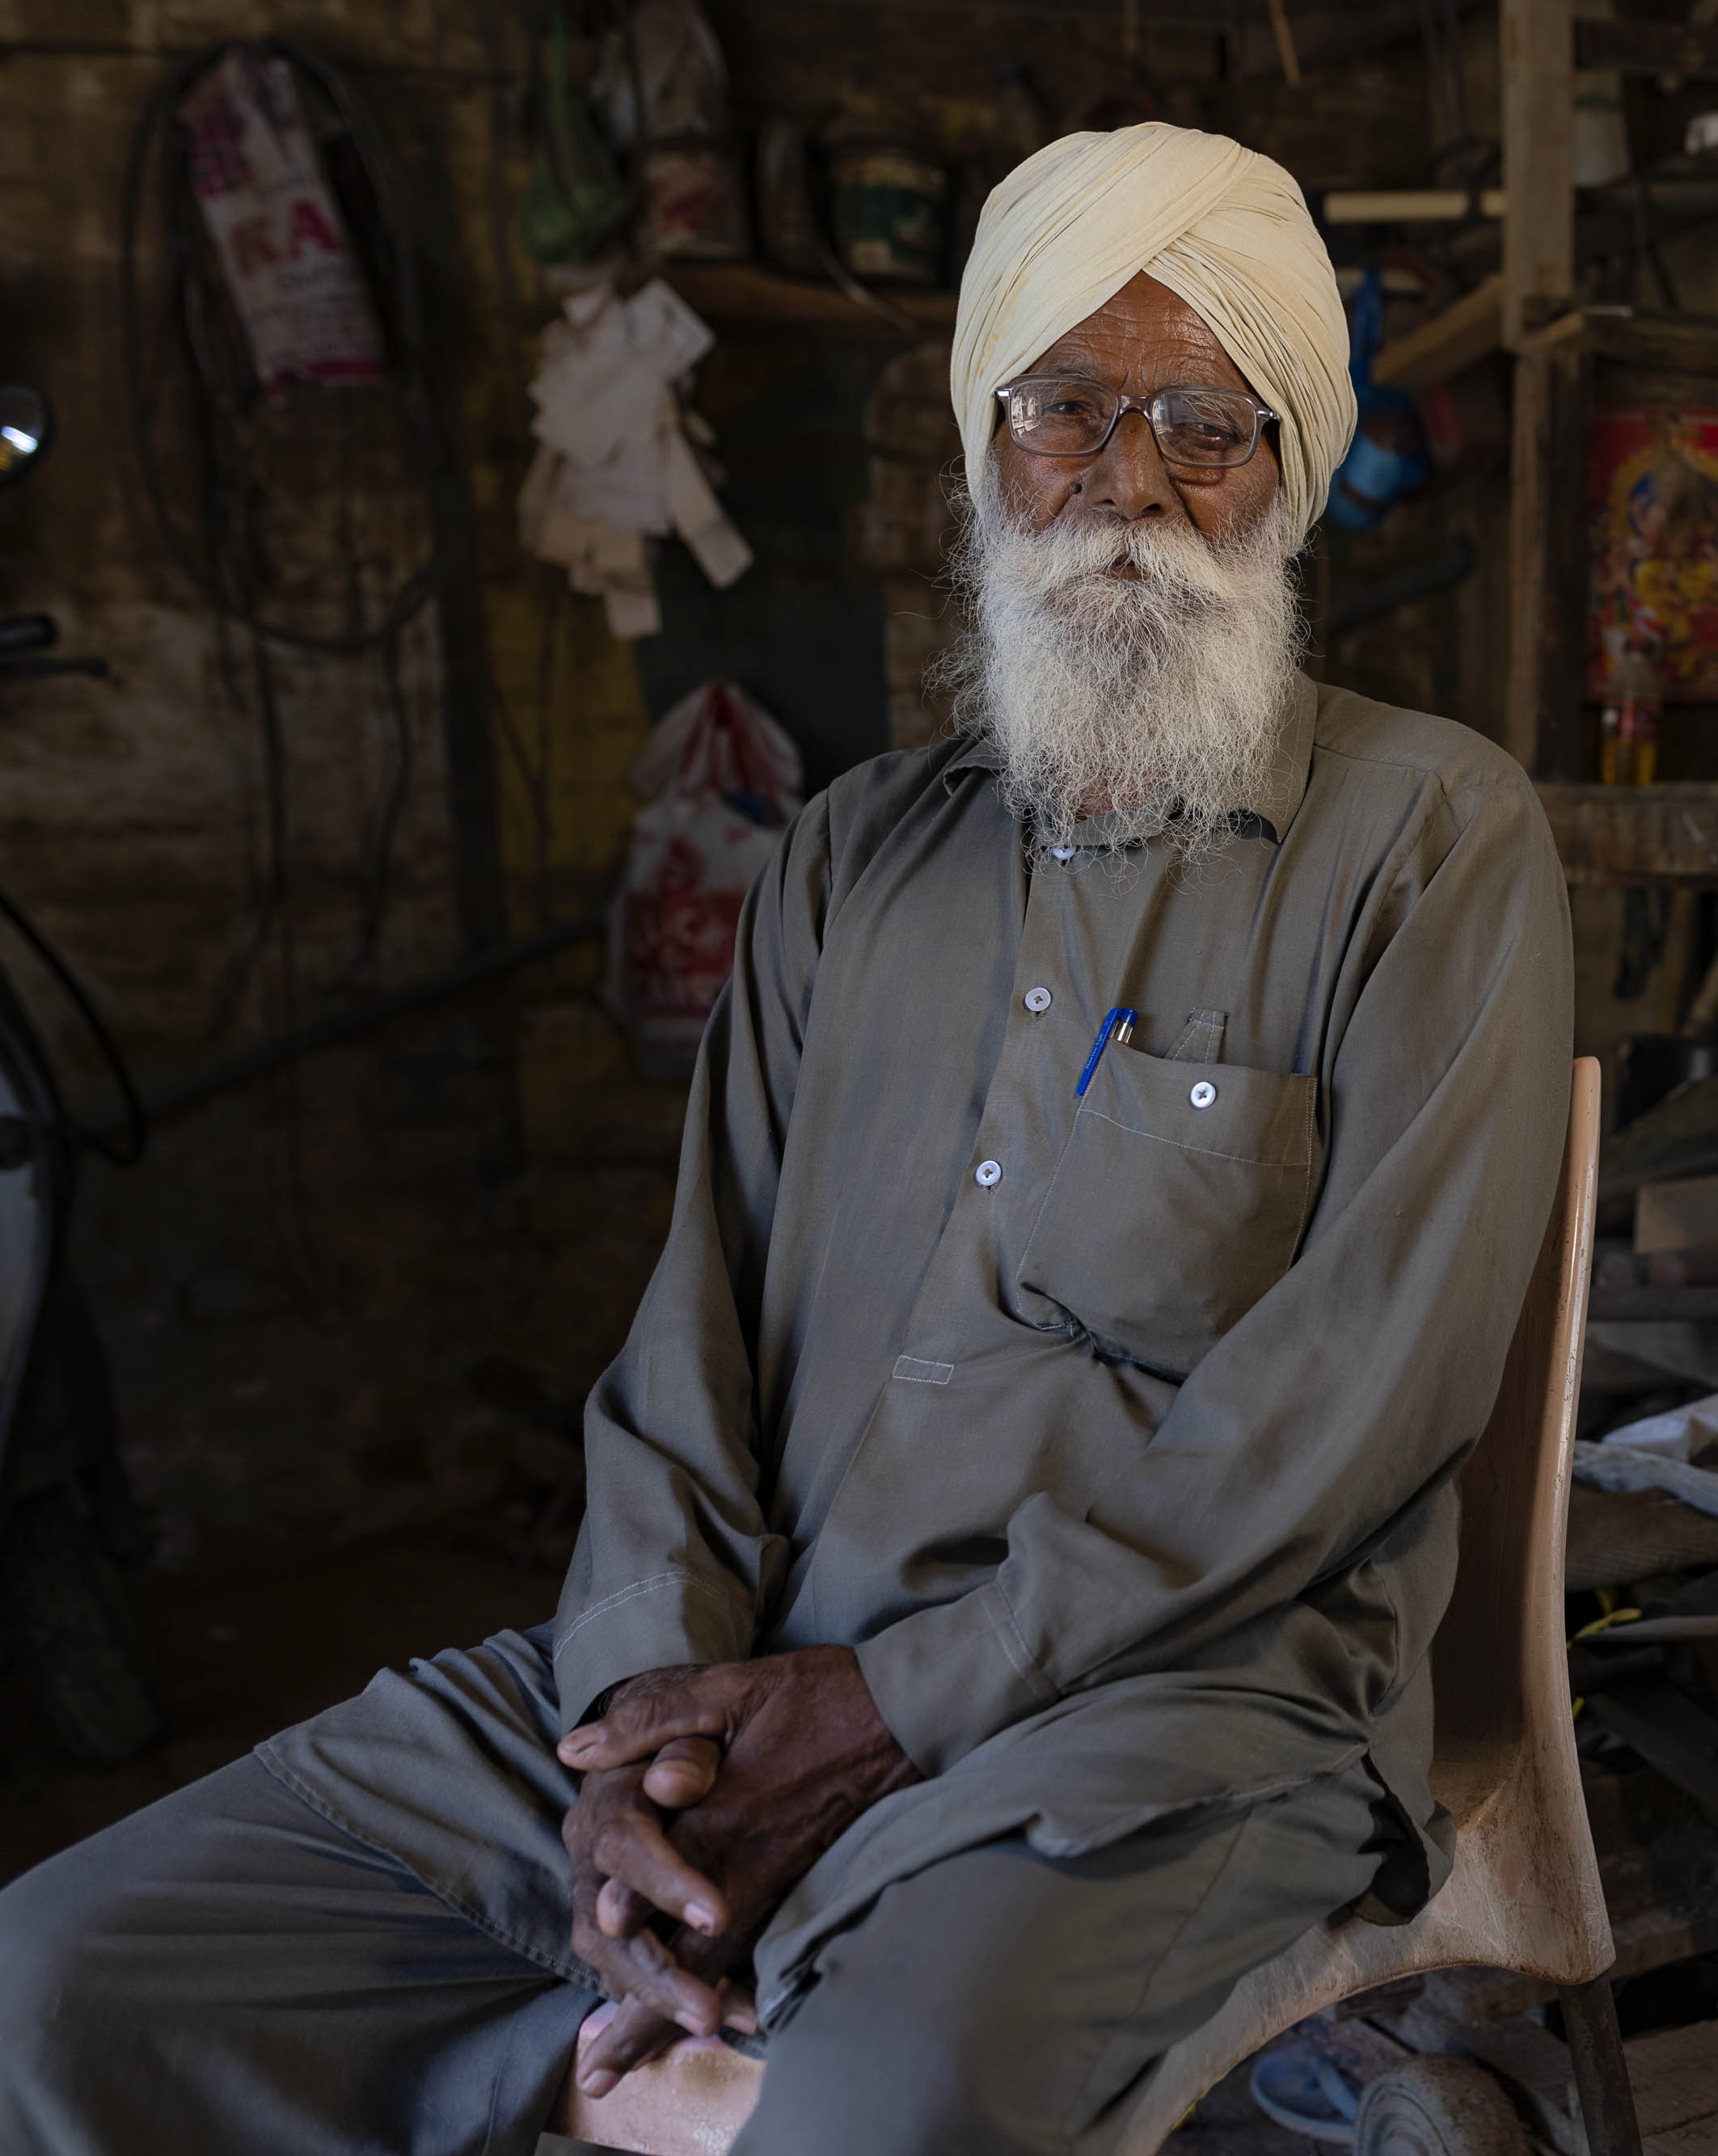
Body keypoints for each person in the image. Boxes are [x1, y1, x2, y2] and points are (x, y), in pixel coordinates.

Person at [0, 121, 1572, 2156]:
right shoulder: (848, 855)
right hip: (752, 1669)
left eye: (1210, 421)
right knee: (64, 1978)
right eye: (1066, 411)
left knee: (865, 2113)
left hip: (1161, 1721)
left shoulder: (1428, 837)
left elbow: (1344, 1411)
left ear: (1288, 475)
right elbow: (692, 1342)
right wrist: (639, 1720)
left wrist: (888, 1709)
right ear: (981, 451)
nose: (1131, 489)